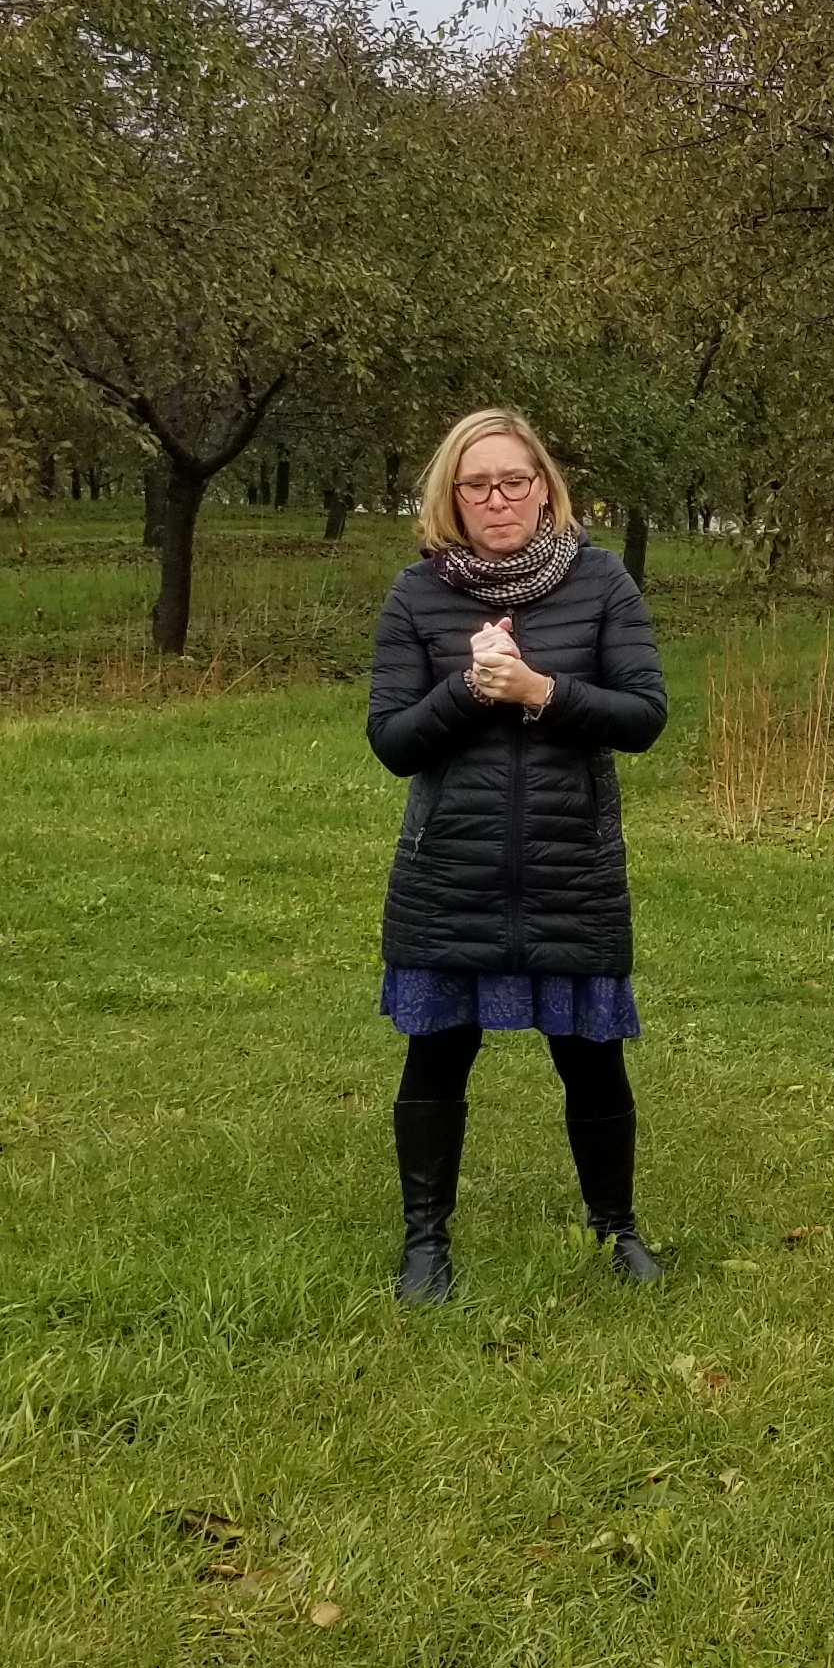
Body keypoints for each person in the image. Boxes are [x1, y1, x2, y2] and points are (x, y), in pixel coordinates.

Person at [367, 407, 670, 1300]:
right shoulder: (416, 595)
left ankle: (616, 1229)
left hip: (569, 864)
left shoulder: (602, 581)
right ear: (450, 498)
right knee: (437, 1053)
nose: (496, 499)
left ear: (544, 487)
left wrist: (541, 689)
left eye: (513, 481)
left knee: (590, 1055)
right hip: (448, 871)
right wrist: (468, 689)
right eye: (476, 484)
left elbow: (644, 716)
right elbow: (392, 741)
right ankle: (426, 1244)